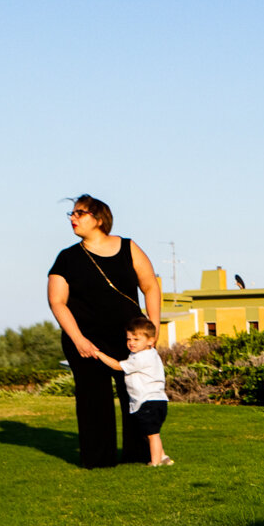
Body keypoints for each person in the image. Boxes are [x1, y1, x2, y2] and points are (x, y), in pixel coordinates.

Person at [46, 195, 163, 468]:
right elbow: (57, 302)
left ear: (99, 219)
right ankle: (98, 460)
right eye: (71, 214)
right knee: (93, 400)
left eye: (80, 213)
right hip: (86, 339)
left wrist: (152, 330)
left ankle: (140, 455)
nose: (73, 218)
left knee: (137, 394)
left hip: (130, 338)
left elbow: (150, 286)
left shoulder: (128, 247)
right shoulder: (67, 258)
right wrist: (78, 340)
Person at [89, 316, 174, 466]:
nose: (131, 343)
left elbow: (117, 366)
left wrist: (99, 354)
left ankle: (155, 462)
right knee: (151, 432)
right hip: (156, 400)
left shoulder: (141, 358)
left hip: (148, 401)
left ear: (150, 341)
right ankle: (163, 457)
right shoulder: (151, 353)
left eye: (136, 339)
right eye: (129, 339)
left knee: (152, 434)